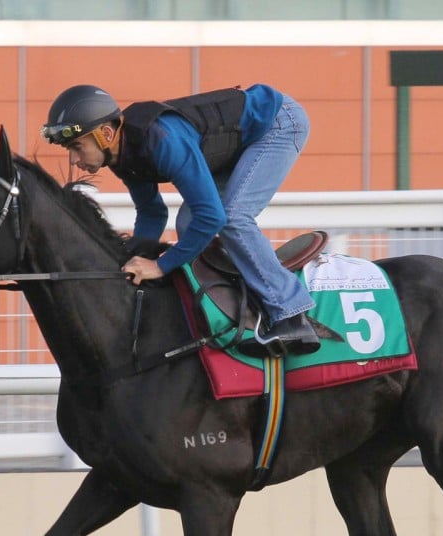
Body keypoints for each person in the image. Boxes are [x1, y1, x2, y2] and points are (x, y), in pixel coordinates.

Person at [41, 83, 319, 357]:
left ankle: (291, 316)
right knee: (188, 226)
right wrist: (130, 258)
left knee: (232, 217)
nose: (74, 160)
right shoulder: (121, 156)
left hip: (278, 123)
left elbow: (212, 217)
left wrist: (161, 266)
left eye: (77, 146)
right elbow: (152, 212)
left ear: (105, 133)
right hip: (239, 141)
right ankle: (246, 307)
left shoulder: (163, 141)